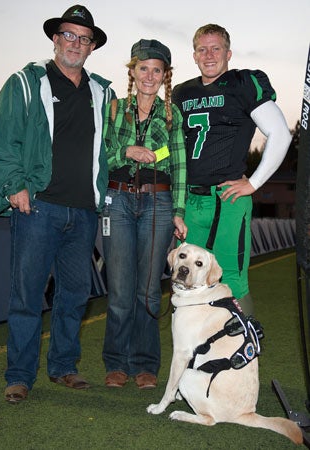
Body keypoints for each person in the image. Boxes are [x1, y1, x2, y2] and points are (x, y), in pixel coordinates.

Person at [0, 5, 115, 403]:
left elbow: (109, 147)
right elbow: (2, 142)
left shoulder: (102, 92)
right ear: (55, 39)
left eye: (84, 38)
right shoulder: (25, 82)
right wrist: (13, 186)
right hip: (38, 208)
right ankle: (19, 375)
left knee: (74, 295)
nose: (75, 43)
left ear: (92, 47)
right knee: (27, 296)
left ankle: (63, 367)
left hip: (84, 212)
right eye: (68, 35)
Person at [172, 24, 291, 316]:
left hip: (228, 198)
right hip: (190, 200)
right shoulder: (181, 92)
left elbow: (280, 134)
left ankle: (244, 348)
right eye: (202, 49)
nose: (209, 55)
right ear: (194, 54)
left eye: (216, 48)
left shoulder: (242, 83)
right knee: (185, 279)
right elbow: (175, 145)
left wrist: (254, 183)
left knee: (232, 278)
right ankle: (196, 352)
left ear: (228, 53)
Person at [102, 39, 187, 389]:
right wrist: (127, 151)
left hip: (159, 204)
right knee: (120, 289)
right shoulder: (114, 109)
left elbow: (180, 165)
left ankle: (146, 364)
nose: (149, 76)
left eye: (157, 70)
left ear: (165, 76)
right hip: (118, 201)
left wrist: (179, 212)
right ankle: (117, 363)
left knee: (150, 291)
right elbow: (102, 156)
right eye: (143, 68)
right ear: (132, 71)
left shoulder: (172, 114)